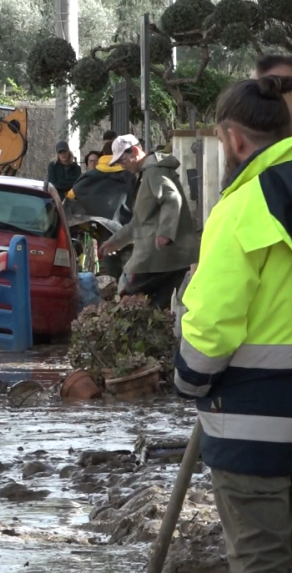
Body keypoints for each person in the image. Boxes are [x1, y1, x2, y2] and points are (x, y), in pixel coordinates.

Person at [174, 75, 292, 573]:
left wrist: (188, 379)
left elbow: (214, 325)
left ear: (233, 139)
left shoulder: (243, 207)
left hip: (257, 430)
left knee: (263, 558)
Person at [98, 134, 198, 309]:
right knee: (155, 307)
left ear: (135, 151)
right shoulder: (146, 173)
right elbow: (139, 221)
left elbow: (172, 198)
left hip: (157, 258)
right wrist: (116, 241)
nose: (123, 166)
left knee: (130, 299)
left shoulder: (153, 171)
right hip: (164, 258)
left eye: (123, 161)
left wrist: (165, 233)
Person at [65, 140, 138, 280]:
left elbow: (71, 195)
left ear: (103, 154)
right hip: (128, 230)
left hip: (104, 231)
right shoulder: (130, 175)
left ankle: (111, 293)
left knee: (109, 270)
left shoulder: (93, 175)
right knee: (130, 273)